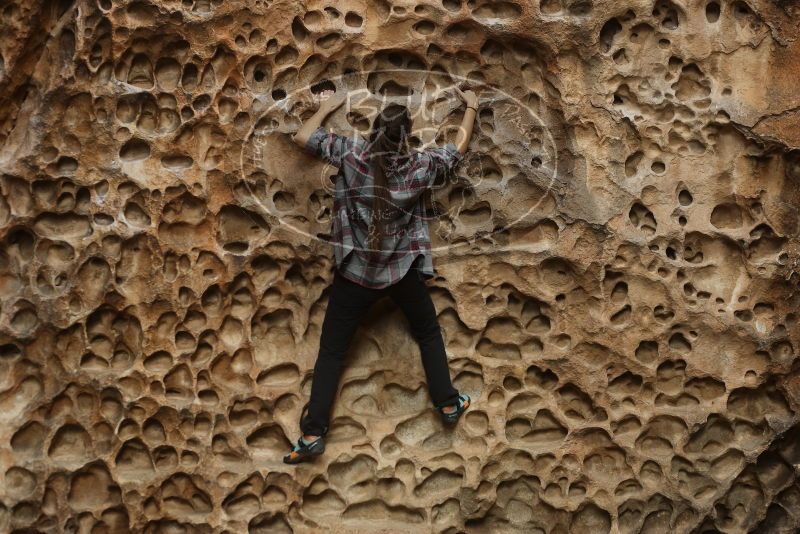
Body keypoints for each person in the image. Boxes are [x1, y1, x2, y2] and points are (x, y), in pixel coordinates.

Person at [283, 85, 479, 464]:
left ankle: (312, 434)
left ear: (373, 131)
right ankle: (449, 404)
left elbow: (303, 137)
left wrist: (327, 107)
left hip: (355, 273)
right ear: (408, 138)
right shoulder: (420, 167)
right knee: (426, 332)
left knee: (332, 353)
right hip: (400, 271)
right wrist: (470, 108)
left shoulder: (353, 155)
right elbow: (457, 150)